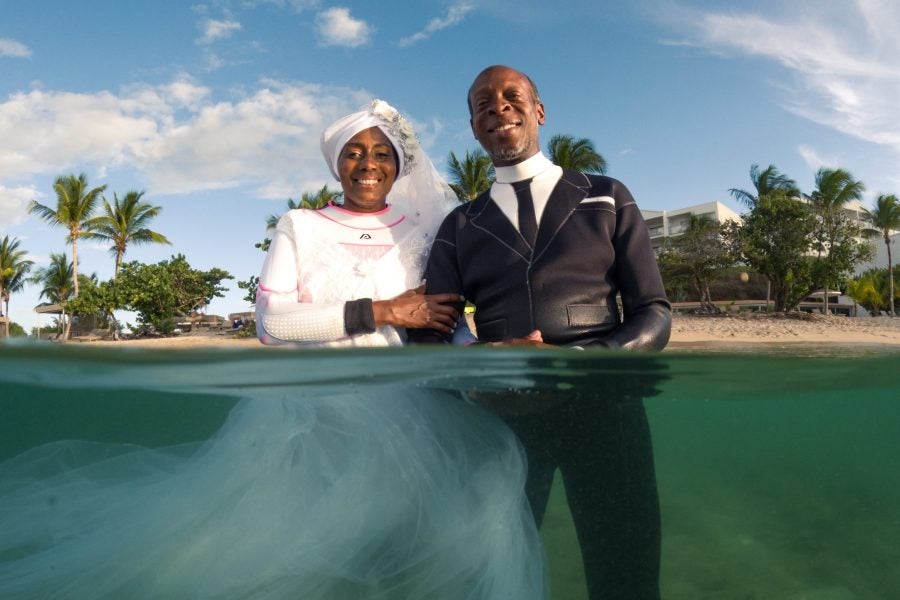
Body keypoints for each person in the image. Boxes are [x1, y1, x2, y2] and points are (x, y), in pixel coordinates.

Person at [0, 100, 546, 599]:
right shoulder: (300, 225)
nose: (368, 163)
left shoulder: (430, 232)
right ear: (336, 162)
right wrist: (380, 310)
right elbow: (271, 324)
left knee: (406, 558)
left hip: (415, 419)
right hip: (309, 422)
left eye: (382, 153)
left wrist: (495, 353)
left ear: (400, 166)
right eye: (354, 152)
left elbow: (445, 323)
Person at [408, 66, 672, 600]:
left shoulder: (606, 196)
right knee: (496, 580)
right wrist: (476, 372)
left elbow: (654, 314)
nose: (498, 107)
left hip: (606, 412)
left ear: (539, 111)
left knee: (626, 570)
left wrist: (581, 363)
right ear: (475, 128)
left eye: (512, 97)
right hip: (502, 424)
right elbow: (428, 336)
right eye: (483, 103)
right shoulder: (459, 226)